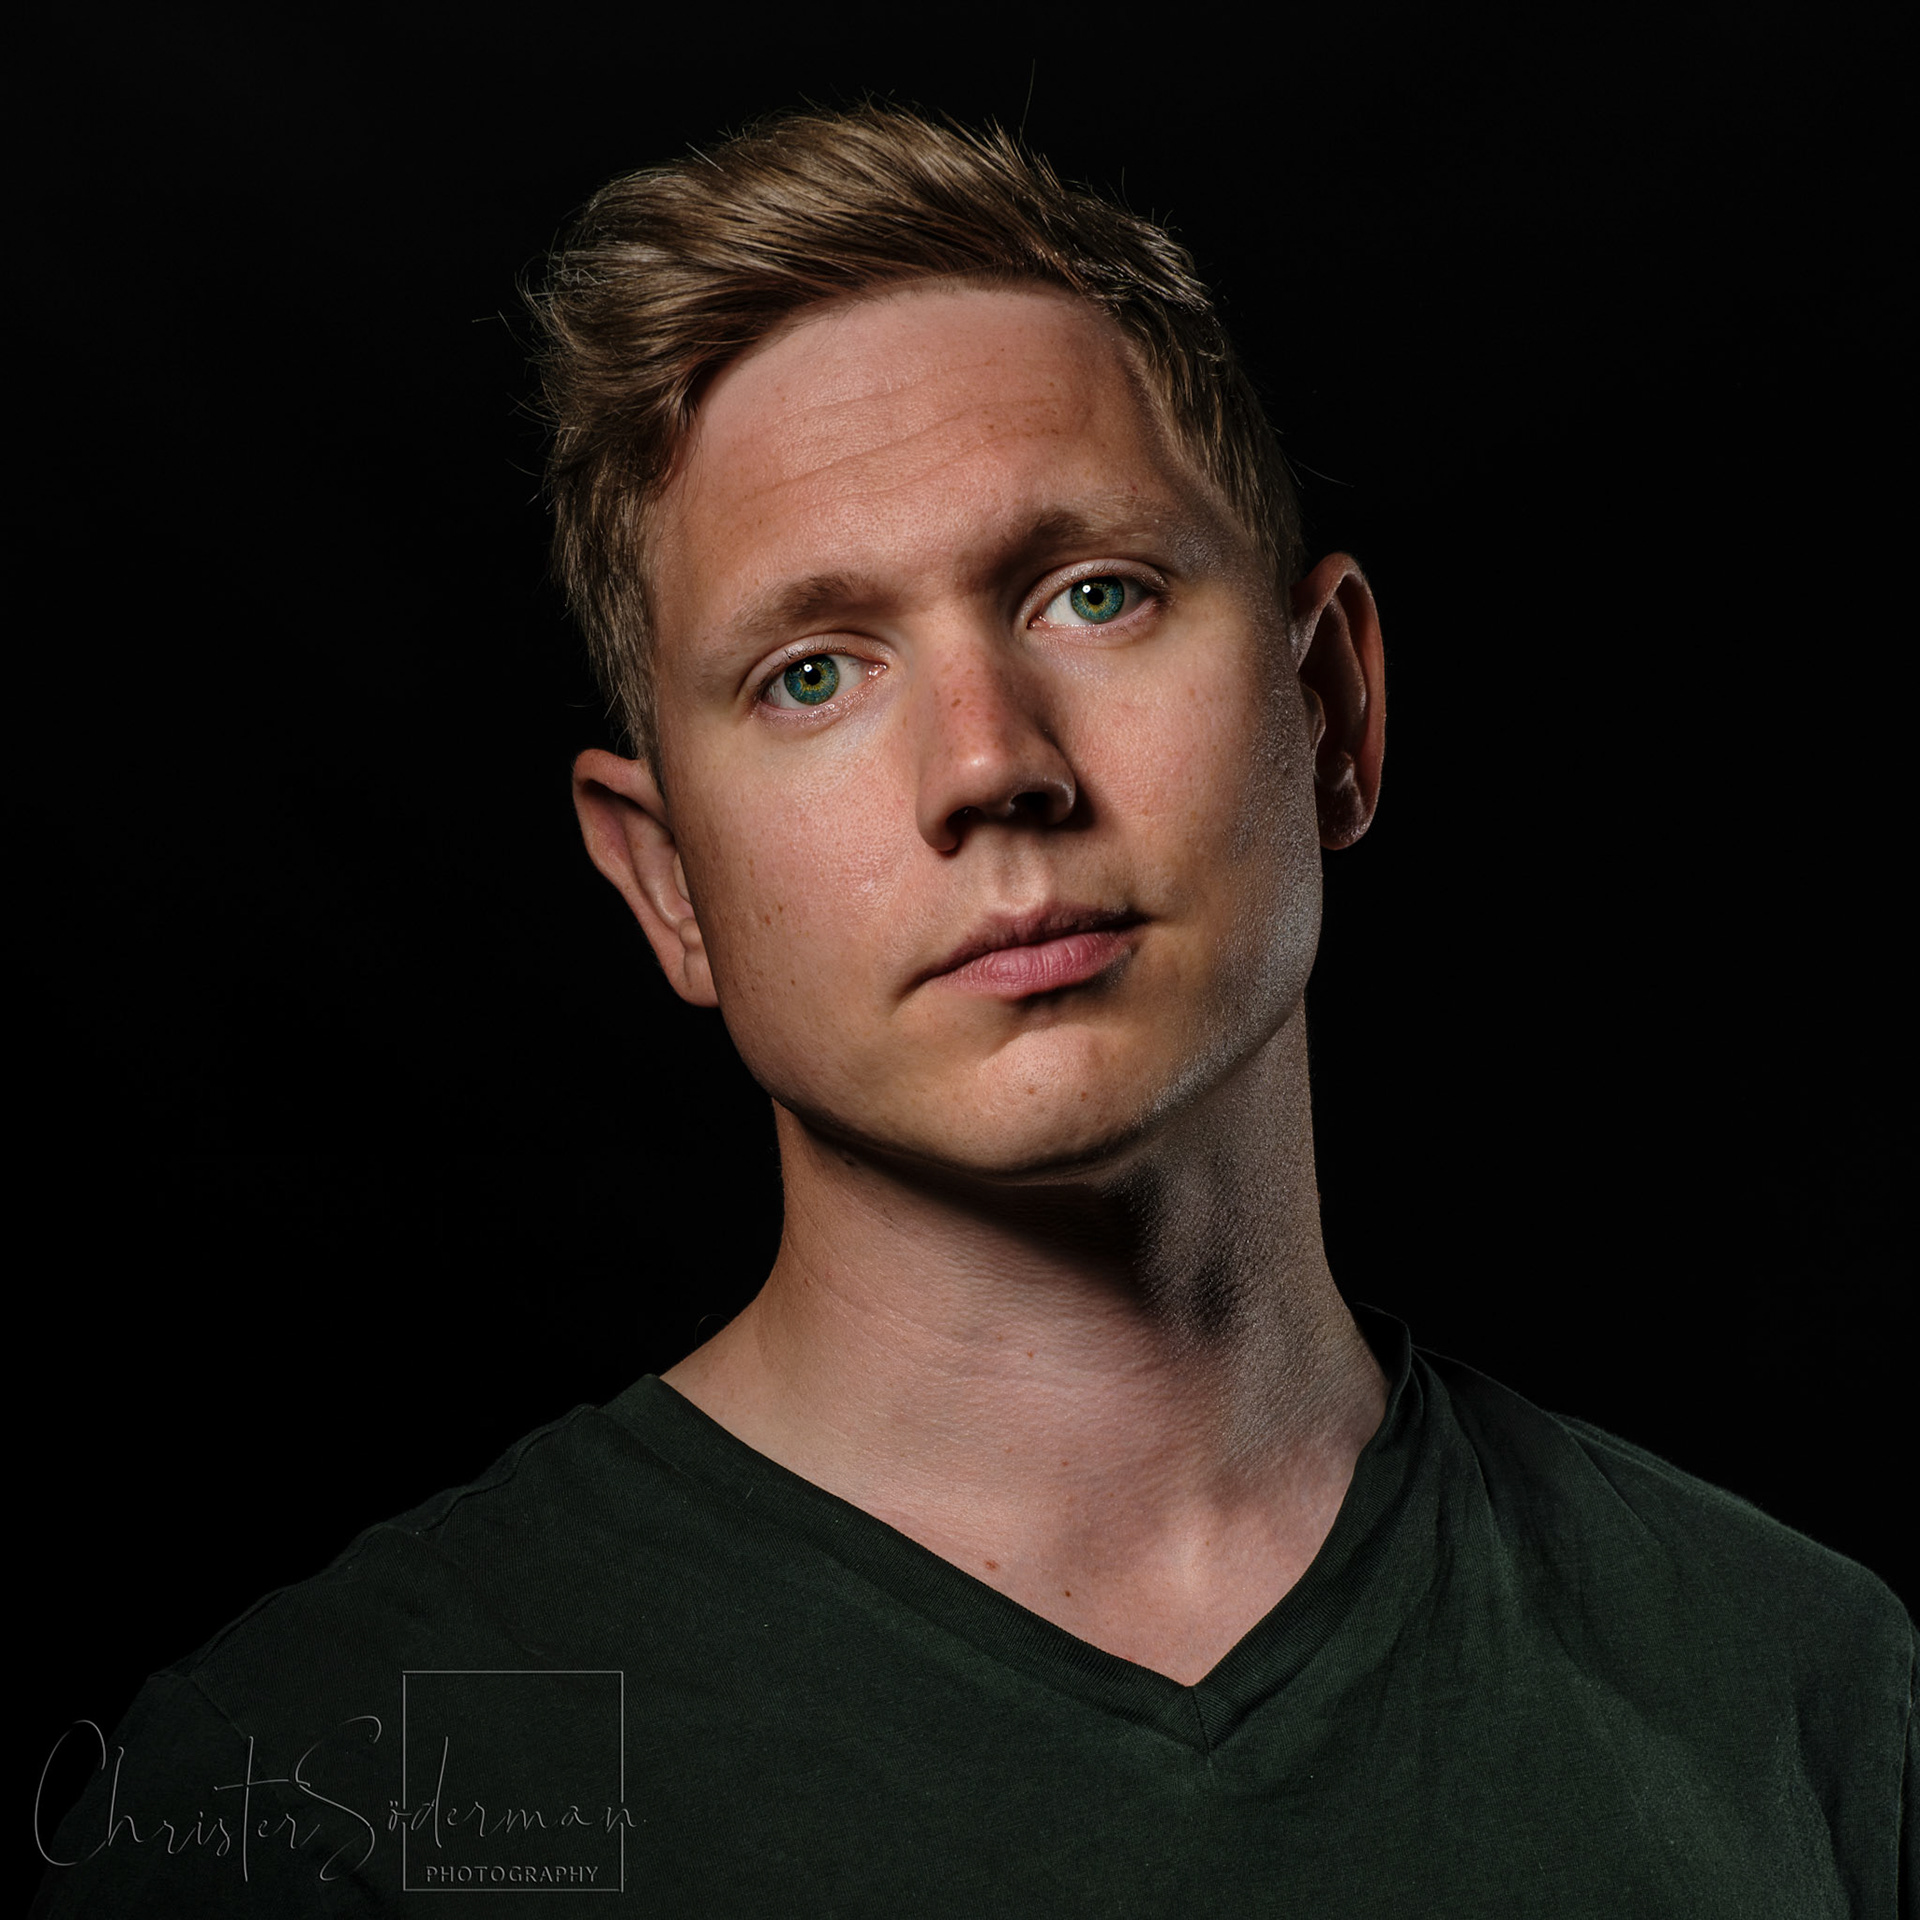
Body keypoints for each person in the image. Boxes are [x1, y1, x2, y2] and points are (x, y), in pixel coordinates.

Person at [33, 105, 1913, 1918]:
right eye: (813, 673)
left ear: (1332, 708)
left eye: (1093, 594)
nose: (991, 764)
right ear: (669, 882)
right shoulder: (332, 1794)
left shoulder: (1801, 1687)